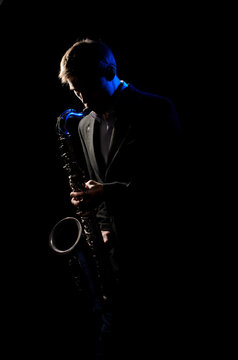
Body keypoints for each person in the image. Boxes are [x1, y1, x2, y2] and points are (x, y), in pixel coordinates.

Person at [57, 38, 185, 359]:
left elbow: (172, 184)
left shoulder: (155, 109)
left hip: (156, 259)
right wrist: (94, 212)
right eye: (75, 91)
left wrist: (107, 192)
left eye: (86, 85)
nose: (82, 98)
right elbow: (97, 185)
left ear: (110, 70)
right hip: (114, 264)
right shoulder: (84, 125)